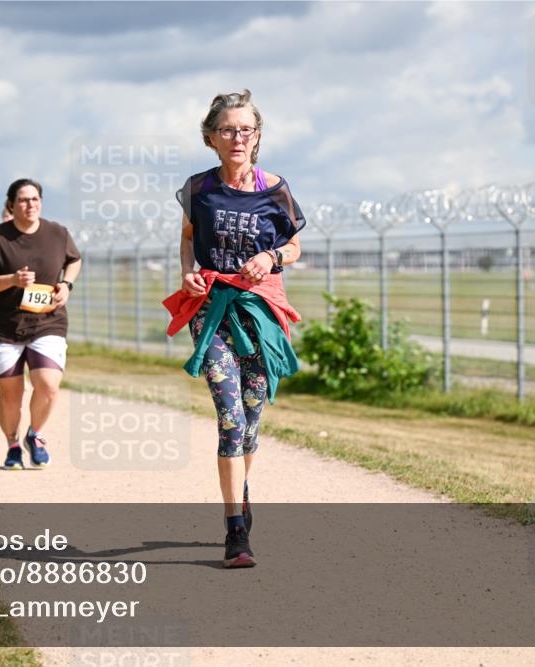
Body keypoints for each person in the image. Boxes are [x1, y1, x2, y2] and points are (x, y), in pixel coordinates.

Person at [164, 90, 305, 568]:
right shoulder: (199, 189)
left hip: (261, 309)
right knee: (230, 415)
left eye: (246, 129)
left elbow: (295, 248)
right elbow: (187, 241)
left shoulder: (275, 187)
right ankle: (235, 529)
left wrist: (271, 256)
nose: (237, 137)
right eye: (228, 130)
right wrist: (187, 269)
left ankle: (240, 492)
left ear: (257, 136)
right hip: (213, 306)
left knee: (251, 416)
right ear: (211, 138)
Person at [0, 178, 82, 470]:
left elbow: (74, 260)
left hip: (48, 321)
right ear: (11, 205)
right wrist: (12, 280)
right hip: (3, 327)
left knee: (48, 385)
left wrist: (67, 285)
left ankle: (35, 435)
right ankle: (12, 444)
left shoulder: (57, 234)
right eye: (23, 200)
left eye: (35, 199)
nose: (30, 205)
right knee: (11, 395)